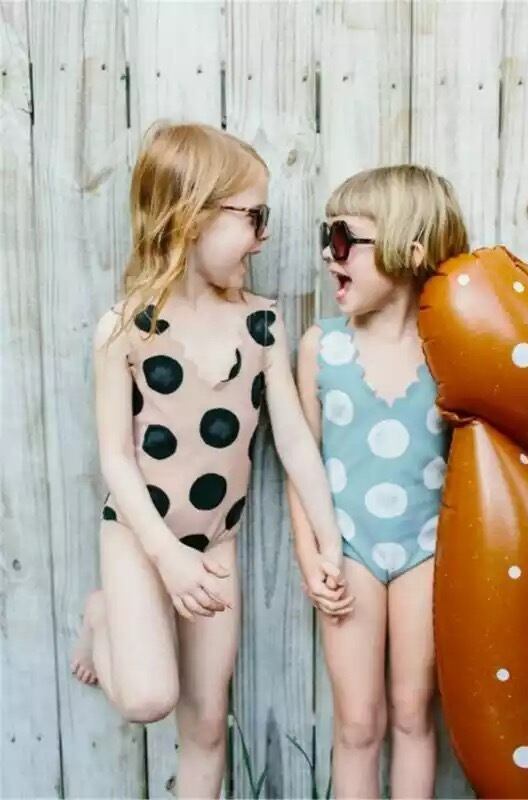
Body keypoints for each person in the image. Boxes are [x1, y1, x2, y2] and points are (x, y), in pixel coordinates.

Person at [70, 121, 348, 798]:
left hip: (215, 543)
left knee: (206, 725)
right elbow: (116, 459)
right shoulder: (125, 328)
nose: (263, 236)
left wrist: (329, 539)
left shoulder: (262, 324)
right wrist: (166, 555)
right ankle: (101, 616)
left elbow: (294, 442)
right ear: (193, 215)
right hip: (140, 537)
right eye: (254, 217)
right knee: (148, 698)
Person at [287, 165, 469, 799]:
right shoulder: (321, 347)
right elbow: (303, 465)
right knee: (357, 724)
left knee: (415, 715)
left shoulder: (450, 350)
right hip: (349, 551)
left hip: (427, 553)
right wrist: (312, 556)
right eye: (326, 237)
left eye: (343, 240)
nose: (327, 254)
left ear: (410, 252)